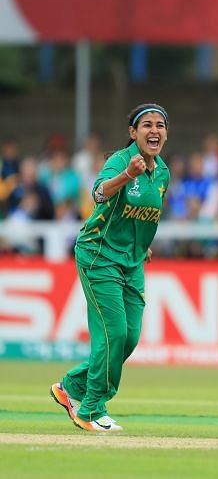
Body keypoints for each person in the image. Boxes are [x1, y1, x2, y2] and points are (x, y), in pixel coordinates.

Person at [50, 103, 172, 432]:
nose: (154, 130)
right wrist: (127, 175)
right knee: (113, 333)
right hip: (99, 255)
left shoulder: (162, 172)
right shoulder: (121, 160)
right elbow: (99, 193)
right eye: (146, 125)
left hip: (131, 261)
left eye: (160, 125)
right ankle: (90, 409)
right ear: (133, 132)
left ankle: (71, 387)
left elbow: (144, 216)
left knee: (129, 338)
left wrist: (140, 246)